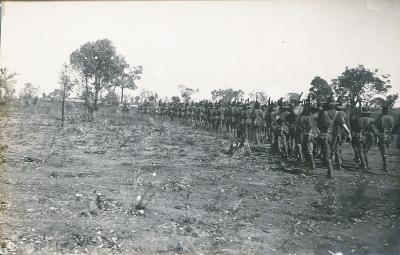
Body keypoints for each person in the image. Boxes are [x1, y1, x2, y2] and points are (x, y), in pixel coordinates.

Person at [370, 104, 394, 172]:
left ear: (383, 111)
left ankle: (385, 167)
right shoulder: (391, 118)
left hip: (382, 135)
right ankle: (385, 166)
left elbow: (376, 126)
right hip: (389, 135)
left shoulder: (380, 118)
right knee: (386, 150)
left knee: (383, 151)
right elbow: (391, 127)